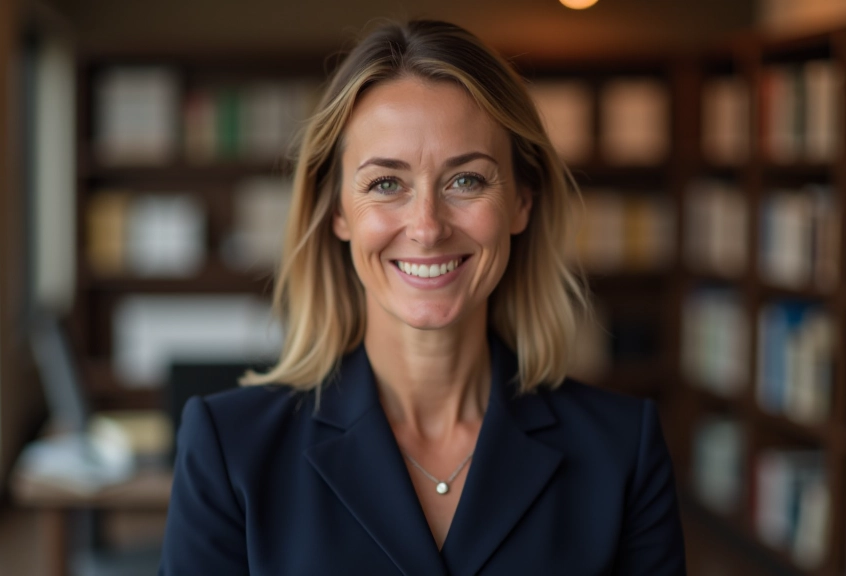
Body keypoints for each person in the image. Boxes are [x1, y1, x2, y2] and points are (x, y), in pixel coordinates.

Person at [159, 19, 686, 576]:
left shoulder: (623, 450)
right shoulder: (229, 447)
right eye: (386, 183)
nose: (427, 226)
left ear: (522, 204)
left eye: (467, 180)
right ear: (338, 211)